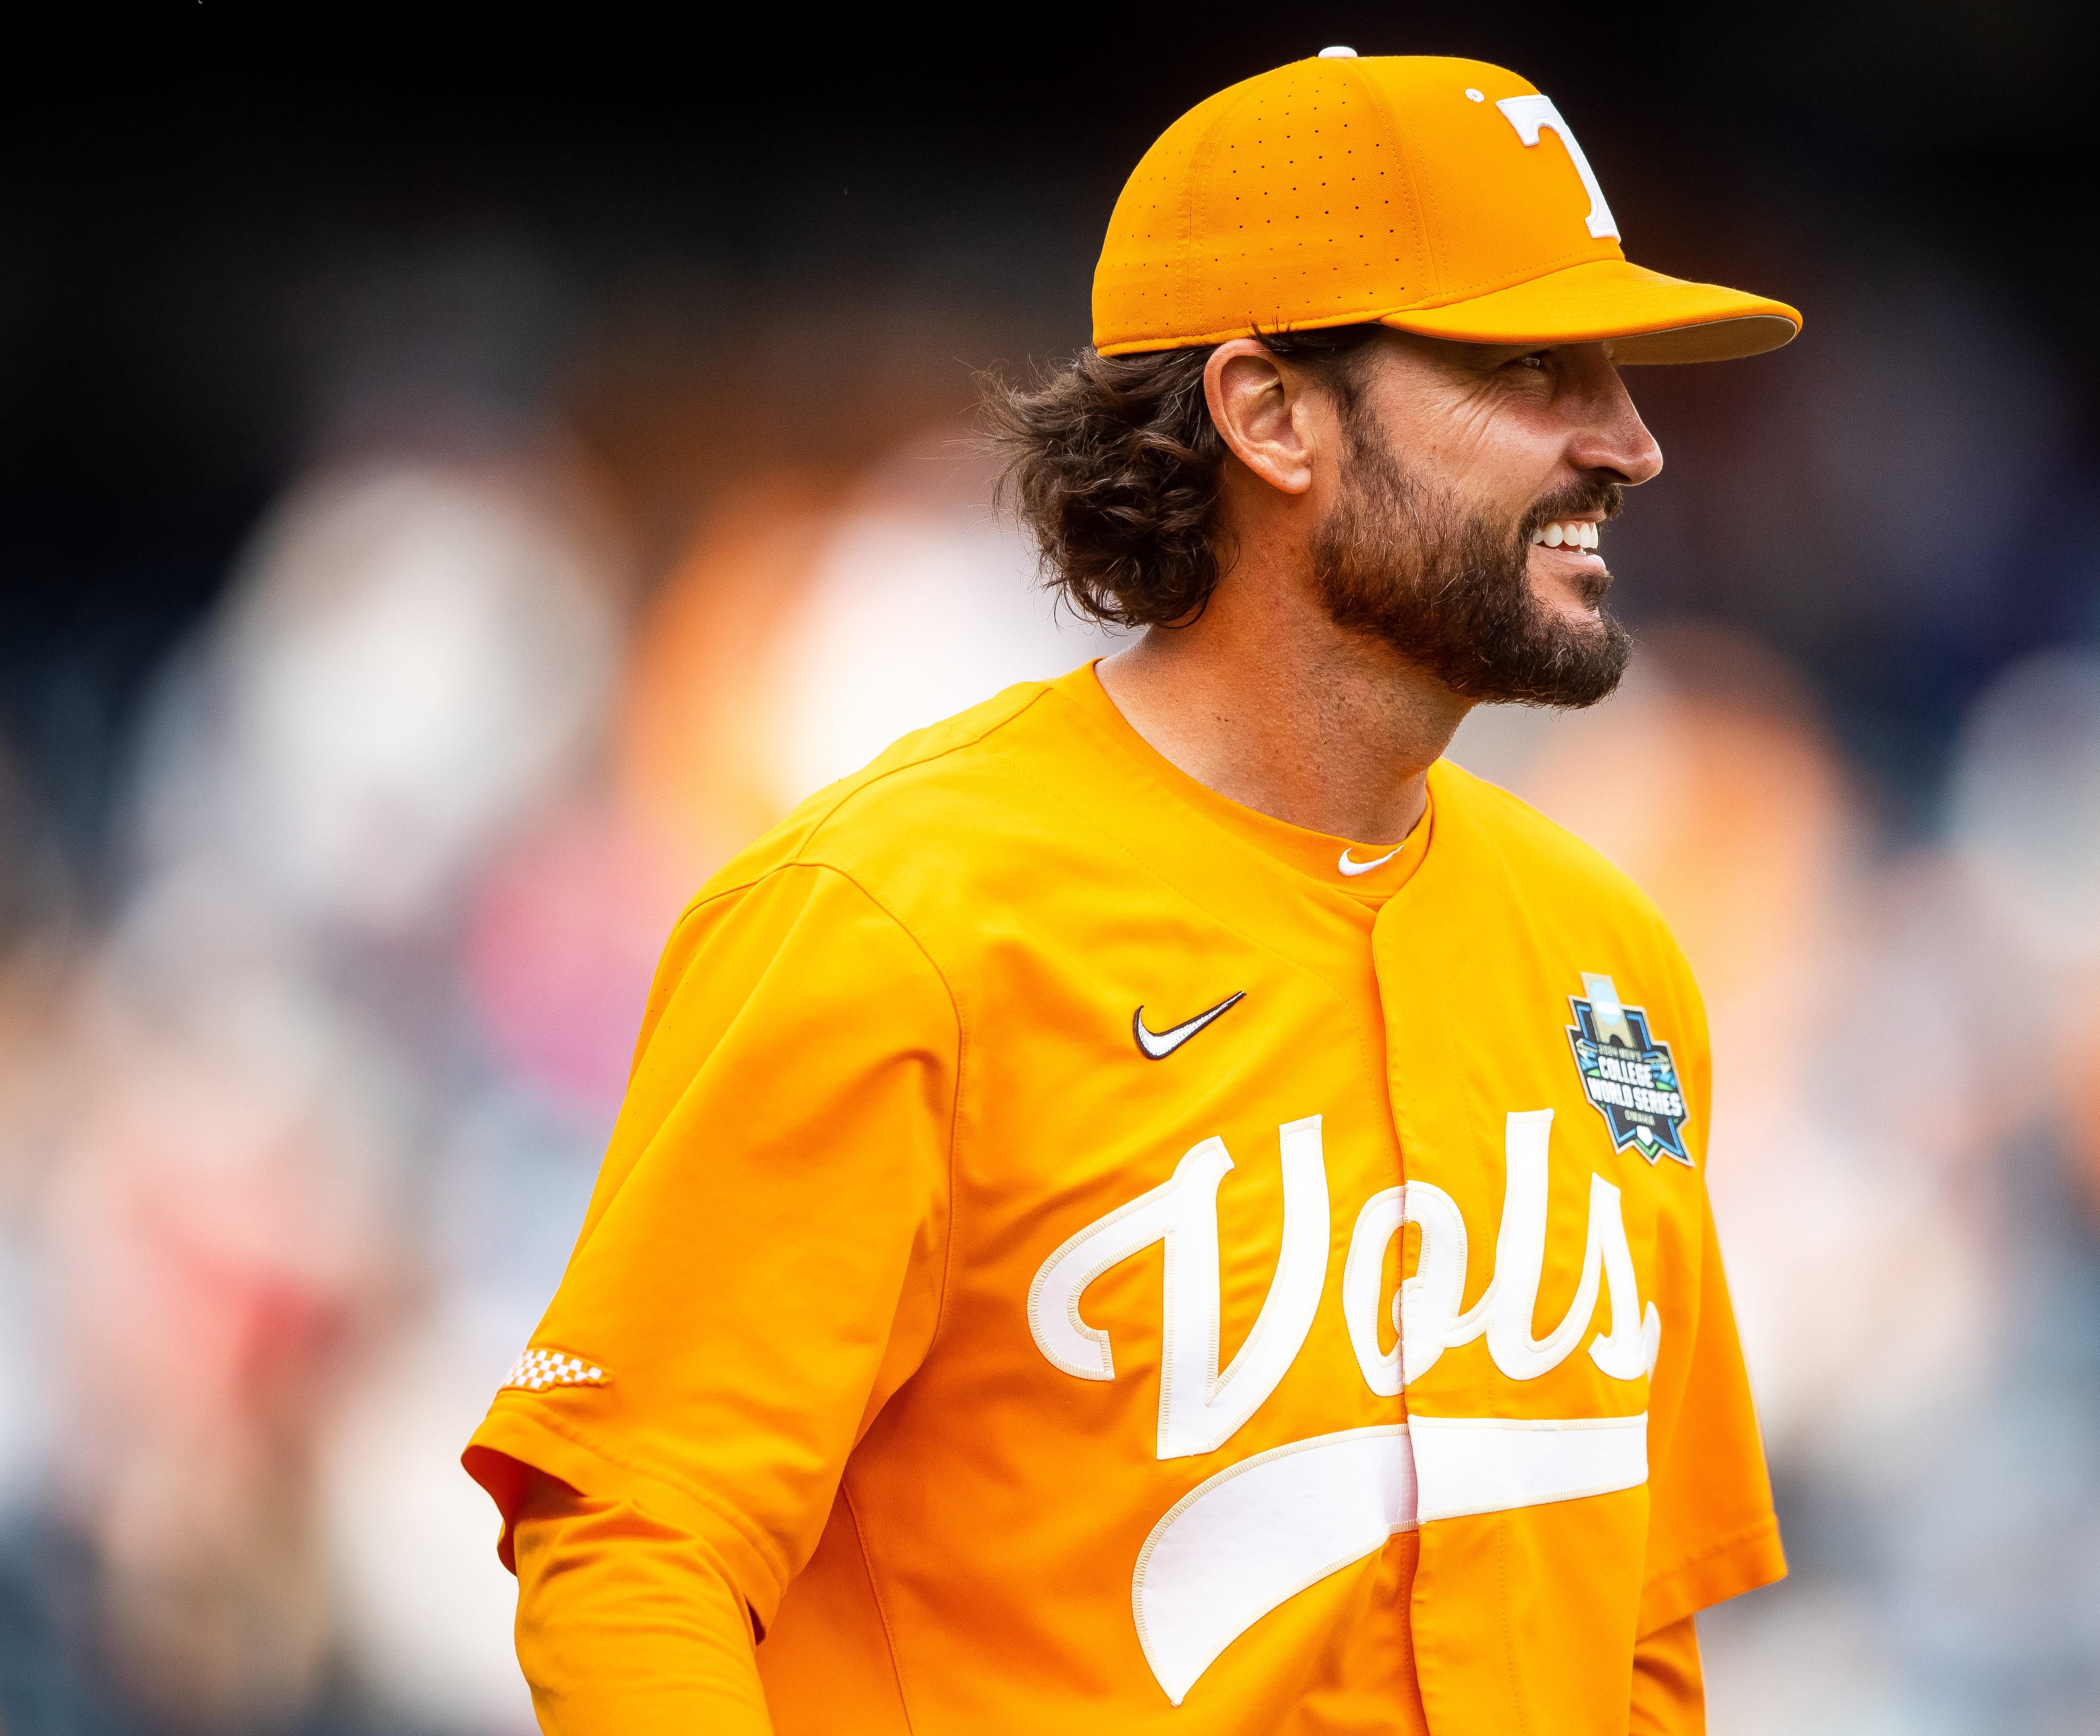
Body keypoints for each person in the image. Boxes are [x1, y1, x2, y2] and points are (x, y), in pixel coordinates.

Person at [465, 48, 1802, 1736]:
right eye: (1531, 365)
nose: (1630, 442)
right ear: (1266, 413)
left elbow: (1631, 1637)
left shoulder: (1613, 956)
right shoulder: (896, 918)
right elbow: (634, 1544)